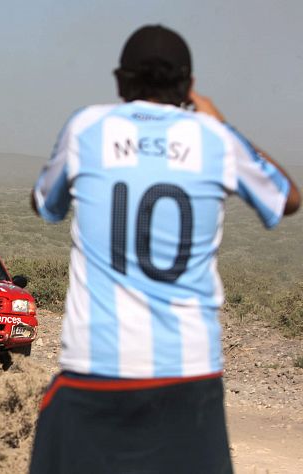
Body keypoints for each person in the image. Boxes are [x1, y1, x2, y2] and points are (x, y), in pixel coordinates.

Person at [29, 25, 299, 473]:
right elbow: (287, 198)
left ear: (120, 81)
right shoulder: (215, 139)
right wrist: (219, 123)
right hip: (188, 372)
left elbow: (44, 204)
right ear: (188, 85)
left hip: (95, 369)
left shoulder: (86, 127)